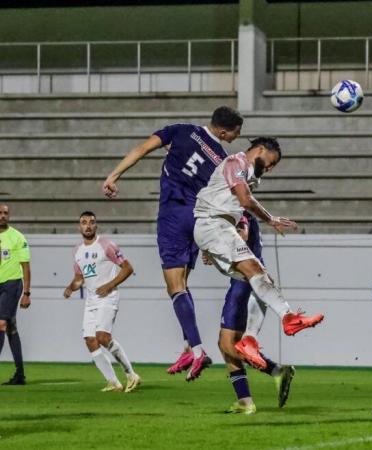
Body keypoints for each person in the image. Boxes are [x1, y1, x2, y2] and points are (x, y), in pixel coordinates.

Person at [102, 106, 244, 381]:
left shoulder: (180, 131)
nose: (238, 136)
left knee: (175, 286)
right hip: (198, 218)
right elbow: (221, 202)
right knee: (184, 283)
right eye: (237, 132)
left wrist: (114, 175)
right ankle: (188, 346)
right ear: (224, 131)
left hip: (173, 214)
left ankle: (198, 349)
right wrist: (207, 239)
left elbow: (142, 148)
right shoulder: (223, 162)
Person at [192, 137, 324, 412]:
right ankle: (287, 320)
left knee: (260, 281)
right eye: (272, 162)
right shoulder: (236, 162)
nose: (271, 168)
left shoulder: (248, 178)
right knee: (256, 275)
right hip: (212, 226)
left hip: (216, 230)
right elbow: (244, 201)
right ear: (261, 150)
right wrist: (271, 219)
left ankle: (254, 346)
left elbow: (242, 205)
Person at [214, 210, 295, 414]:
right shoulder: (237, 207)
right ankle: (264, 383)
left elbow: (242, 234)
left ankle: (270, 377)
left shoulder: (236, 208)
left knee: (227, 344)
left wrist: (218, 248)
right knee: (229, 344)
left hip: (246, 281)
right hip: (251, 277)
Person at [63, 211, 140, 392]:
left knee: (102, 337)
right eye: (84, 222)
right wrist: (70, 287)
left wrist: (109, 285)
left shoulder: (107, 245)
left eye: (91, 222)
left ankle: (131, 374)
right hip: (91, 300)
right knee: (90, 340)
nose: (88, 226)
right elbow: (79, 278)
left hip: (108, 296)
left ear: (96, 225)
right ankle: (113, 382)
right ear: (79, 226)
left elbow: (128, 268)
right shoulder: (77, 251)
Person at [0, 203, 31, 385]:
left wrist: (26, 292)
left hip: (11, 285)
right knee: (11, 328)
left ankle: (20, 374)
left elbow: (25, 267)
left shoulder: (17, 237)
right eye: (0, 213)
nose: (3, 216)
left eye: (6, 213)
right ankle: (20, 374)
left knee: (1, 323)